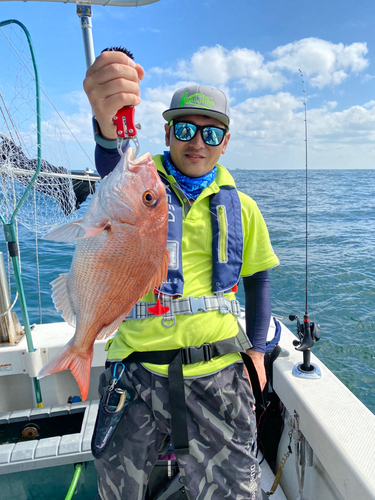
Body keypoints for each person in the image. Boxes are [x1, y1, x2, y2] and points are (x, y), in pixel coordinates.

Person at [84, 50, 279, 500]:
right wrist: (108, 121)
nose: (198, 142)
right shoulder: (139, 182)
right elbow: (112, 159)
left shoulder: (244, 209)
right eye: (186, 129)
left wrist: (256, 352)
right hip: (136, 372)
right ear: (168, 132)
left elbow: (259, 280)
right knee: (117, 492)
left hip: (219, 372)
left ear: (225, 142)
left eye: (211, 132)